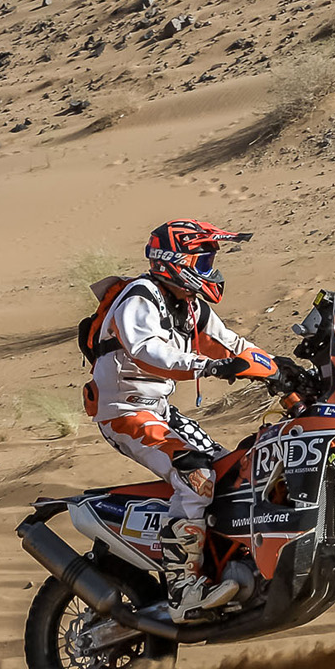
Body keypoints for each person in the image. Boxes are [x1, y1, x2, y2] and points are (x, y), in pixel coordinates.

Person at [83, 219, 277, 621]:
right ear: (174, 261)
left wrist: (281, 370)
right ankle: (183, 588)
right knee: (196, 476)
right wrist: (206, 365)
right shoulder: (141, 296)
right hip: (124, 413)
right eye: (202, 262)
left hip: (159, 410)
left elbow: (232, 345)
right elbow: (146, 351)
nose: (209, 270)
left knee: (231, 471)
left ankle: (225, 566)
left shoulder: (188, 305)